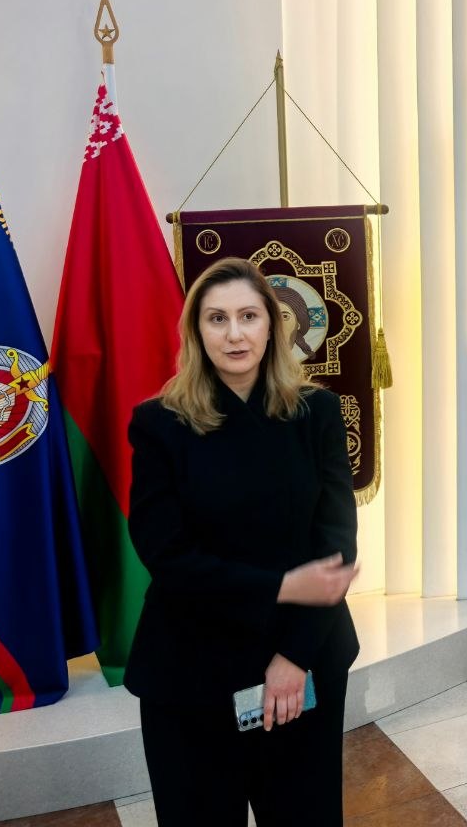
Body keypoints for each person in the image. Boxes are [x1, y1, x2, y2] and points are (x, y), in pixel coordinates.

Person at [125, 257, 360, 826]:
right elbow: (168, 557)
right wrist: (282, 585)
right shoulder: (159, 424)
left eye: (249, 316)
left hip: (302, 658)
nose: (234, 334)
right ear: (196, 331)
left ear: (273, 326)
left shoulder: (318, 412)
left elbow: (336, 550)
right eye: (217, 318)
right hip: (192, 671)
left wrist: (294, 657)